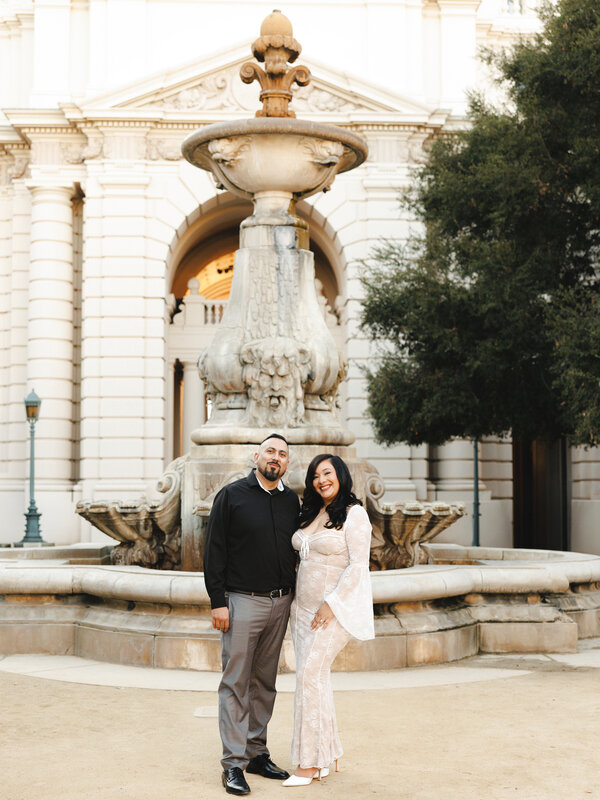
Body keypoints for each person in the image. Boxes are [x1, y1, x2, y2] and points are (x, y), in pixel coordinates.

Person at [204, 433, 300, 796]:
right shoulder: (231, 495)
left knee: (265, 682)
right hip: (242, 601)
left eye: (282, 454)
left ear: (287, 463)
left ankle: (257, 752)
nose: (275, 458)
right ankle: (233, 764)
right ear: (256, 456)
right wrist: (218, 601)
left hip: (281, 603)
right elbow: (214, 550)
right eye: (270, 451)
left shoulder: (292, 500)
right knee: (235, 682)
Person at [282, 453, 375, 787]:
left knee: (310, 676)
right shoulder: (310, 513)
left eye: (327, 473)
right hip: (302, 613)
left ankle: (307, 765)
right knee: (314, 681)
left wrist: (330, 605)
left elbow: (358, 567)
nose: (321, 480)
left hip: (331, 613)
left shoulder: (355, 514)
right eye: (316, 476)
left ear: (341, 476)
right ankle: (325, 756)